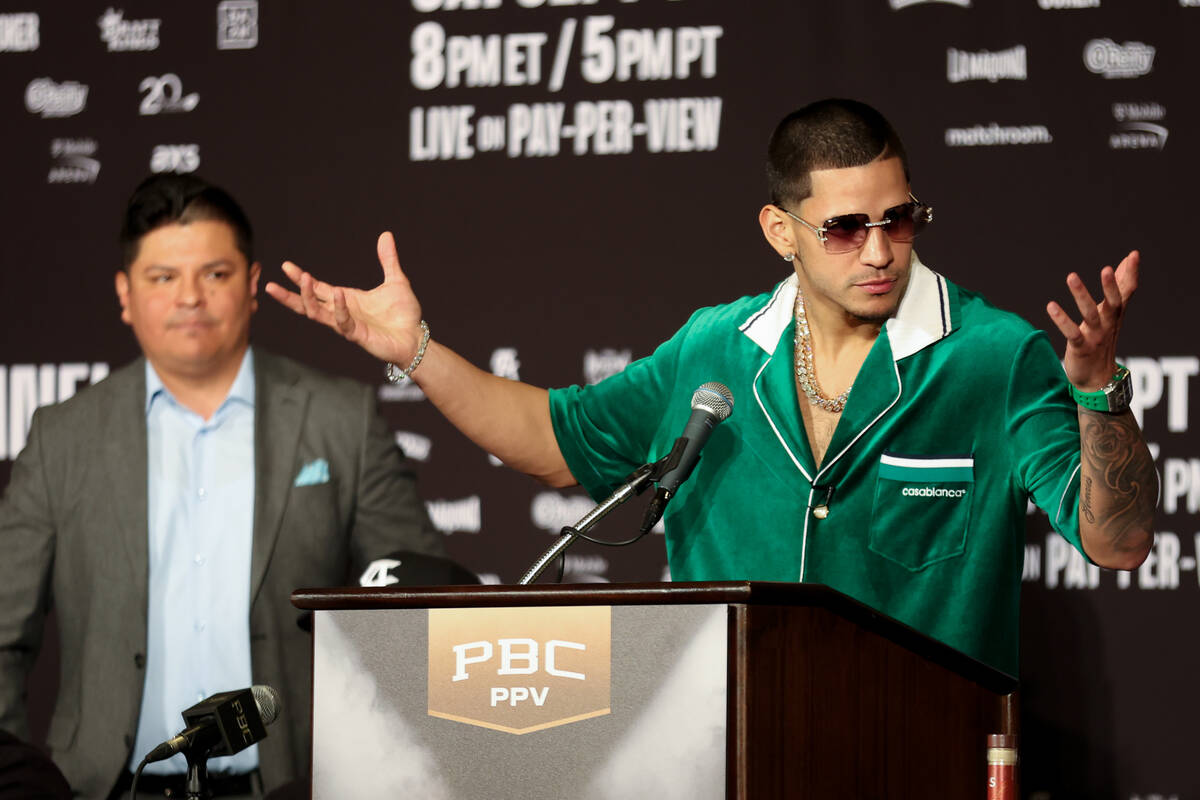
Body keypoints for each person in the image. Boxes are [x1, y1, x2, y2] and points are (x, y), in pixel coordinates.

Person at [265, 98, 1156, 676]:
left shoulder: (993, 355)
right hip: (730, 754)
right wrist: (415, 351)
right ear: (782, 230)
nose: (881, 250)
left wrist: (1099, 391)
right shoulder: (714, 349)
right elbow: (549, 437)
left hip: (920, 757)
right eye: (845, 228)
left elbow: (1116, 543)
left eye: (899, 219)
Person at [0, 174, 445, 799]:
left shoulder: (341, 420)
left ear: (251, 284)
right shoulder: (62, 437)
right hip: (103, 788)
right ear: (125, 294)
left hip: (293, 786)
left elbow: (421, 607)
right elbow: (3, 631)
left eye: (214, 274)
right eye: (162, 277)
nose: (190, 297)